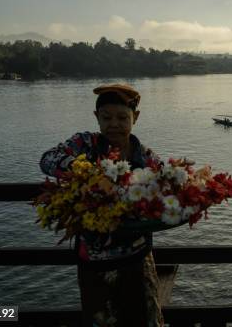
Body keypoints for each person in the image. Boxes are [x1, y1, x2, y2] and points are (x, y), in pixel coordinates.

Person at [39, 83, 163, 327]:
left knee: (144, 319)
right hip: (94, 260)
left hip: (137, 258)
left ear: (135, 118)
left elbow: (166, 188)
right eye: (106, 117)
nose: (114, 124)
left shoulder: (145, 157)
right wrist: (82, 169)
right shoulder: (85, 144)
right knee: (100, 320)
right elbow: (47, 159)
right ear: (97, 117)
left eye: (122, 117)